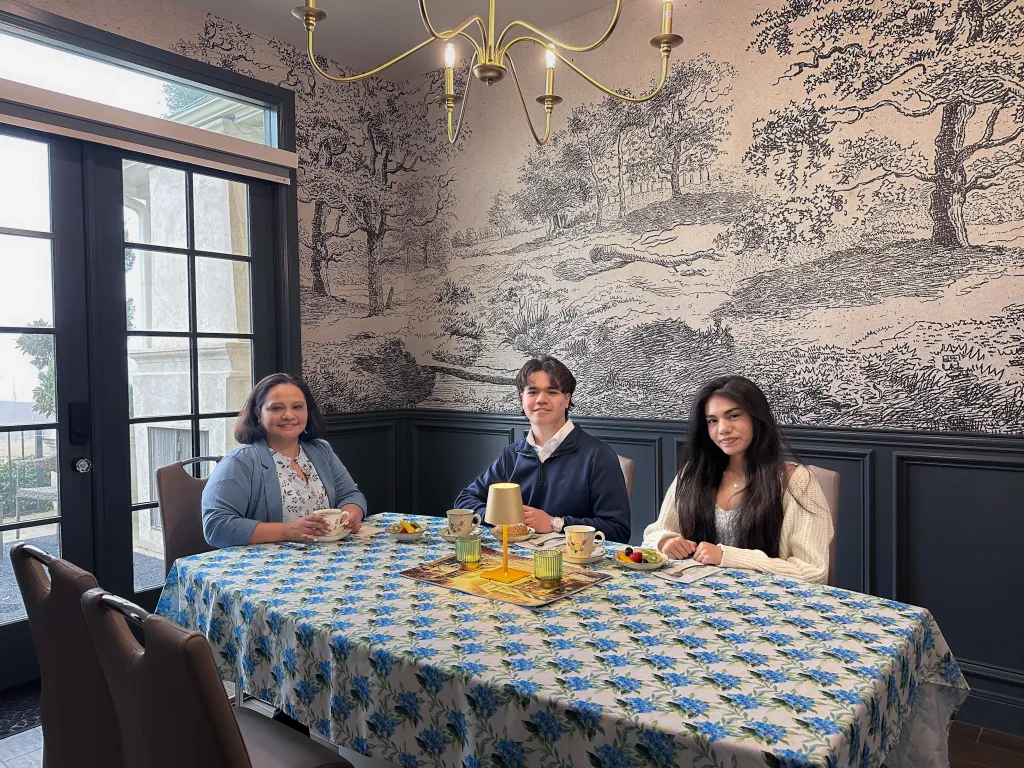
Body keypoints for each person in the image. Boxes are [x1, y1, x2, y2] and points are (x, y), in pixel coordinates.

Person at [642, 375, 833, 583]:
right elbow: (653, 534)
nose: (722, 429)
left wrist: (727, 557)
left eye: (733, 416)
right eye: (712, 421)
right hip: (697, 594)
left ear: (756, 418)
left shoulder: (797, 481)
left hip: (767, 599)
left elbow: (813, 572)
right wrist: (665, 541)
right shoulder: (692, 474)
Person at [454, 356, 631, 543]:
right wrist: (498, 518)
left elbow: (617, 529)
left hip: (572, 559)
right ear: (522, 399)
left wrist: (556, 524)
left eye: (552, 392)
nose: (541, 400)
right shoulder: (511, 455)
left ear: (566, 399)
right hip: (512, 557)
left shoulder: (598, 456)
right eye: (532, 392)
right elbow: (465, 501)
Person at [202, 373, 367, 548]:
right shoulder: (239, 461)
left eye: (297, 407)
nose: (289, 415)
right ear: (258, 414)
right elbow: (216, 526)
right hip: (268, 562)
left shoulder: (321, 450)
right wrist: (287, 531)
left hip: (328, 554)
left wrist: (350, 516)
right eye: (277, 408)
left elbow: (350, 495)